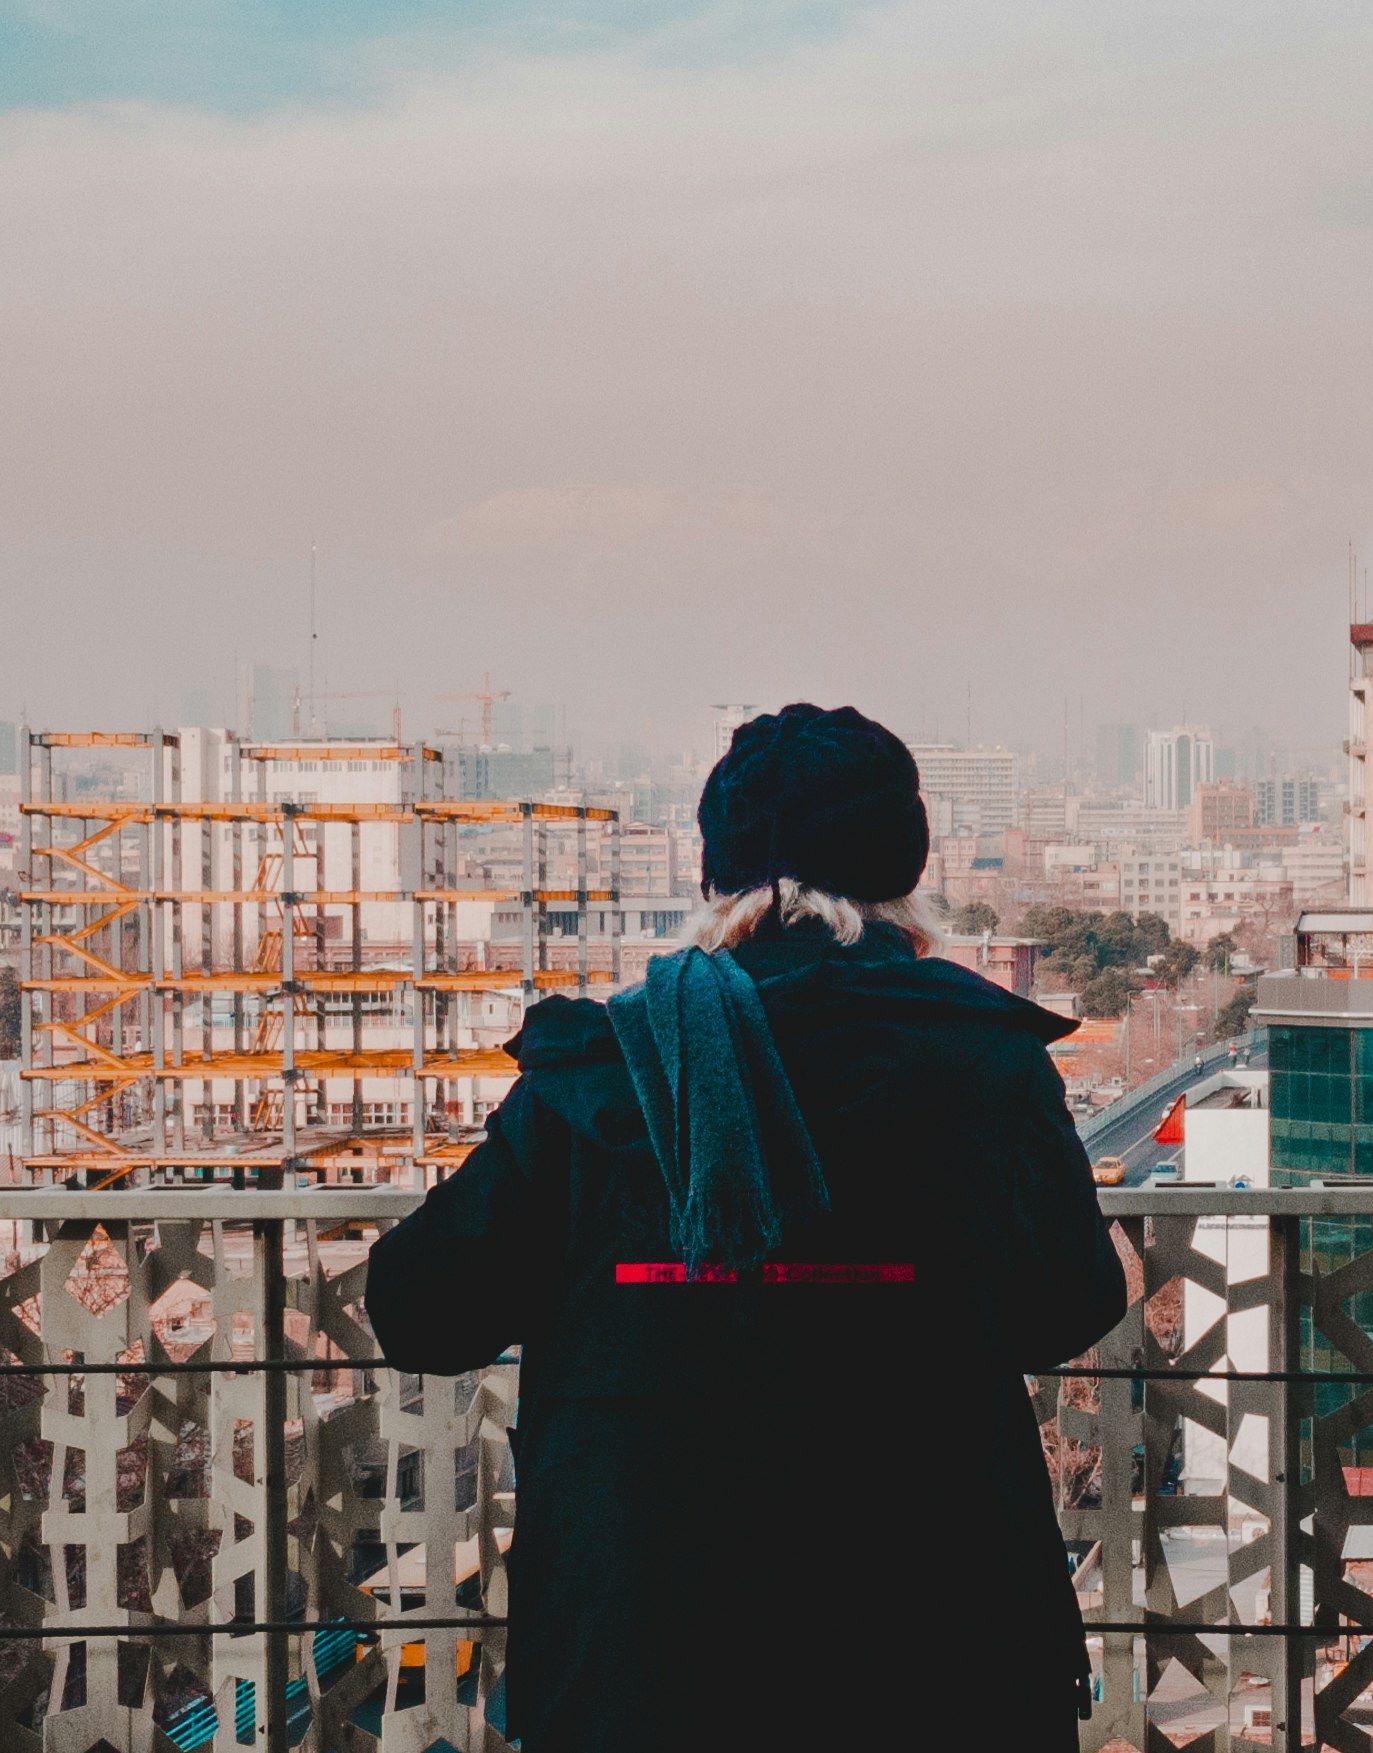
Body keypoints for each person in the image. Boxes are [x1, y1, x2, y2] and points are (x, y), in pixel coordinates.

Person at [367, 703, 1129, 1752]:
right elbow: (1067, 1301)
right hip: (933, 1648)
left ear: (713, 873)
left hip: (641, 1659)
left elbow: (419, 1309)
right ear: (900, 869)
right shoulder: (979, 1060)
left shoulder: (610, 1069)